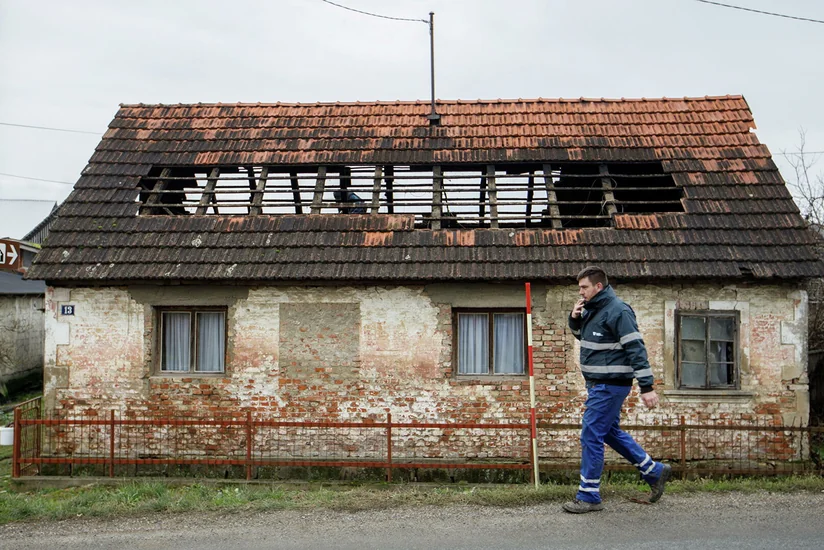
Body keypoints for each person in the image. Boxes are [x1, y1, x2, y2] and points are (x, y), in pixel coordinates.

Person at [563, 266, 671, 513]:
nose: (580, 292)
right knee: (608, 431)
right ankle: (654, 471)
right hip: (597, 385)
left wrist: (647, 387)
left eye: (584, 287)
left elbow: (636, 349)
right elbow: (586, 339)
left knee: (591, 434)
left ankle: (589, 495)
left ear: (598, 287)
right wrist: (575, 318)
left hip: (610, 385)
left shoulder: (618, 311)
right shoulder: (593, 309)